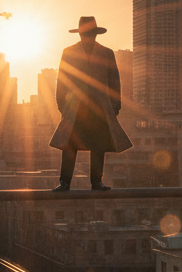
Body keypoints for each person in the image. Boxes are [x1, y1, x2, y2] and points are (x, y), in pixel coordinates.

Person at [48, 16, 132, 191]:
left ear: (95, 34)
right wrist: (62, 106)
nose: (87, 37)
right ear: (80, 34)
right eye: (85, 33)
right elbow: (62, 80)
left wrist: (115, 106)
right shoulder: (69, 52)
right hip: (75, 107)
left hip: (99, 107)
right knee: (70, 144)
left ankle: (96, 182)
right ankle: (64, 182)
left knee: (99, 145)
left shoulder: (107, 53)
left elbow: (114, 81)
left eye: (90, 33)